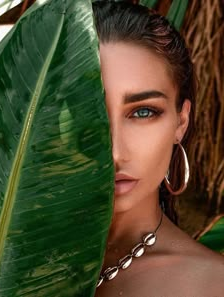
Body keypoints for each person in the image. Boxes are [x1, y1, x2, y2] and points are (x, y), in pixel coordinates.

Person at [92, 1, 224, 297]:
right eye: (90, 110)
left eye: (143, 112)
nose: (114, 151)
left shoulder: (213, 285)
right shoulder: (3, 259)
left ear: (181, 121)